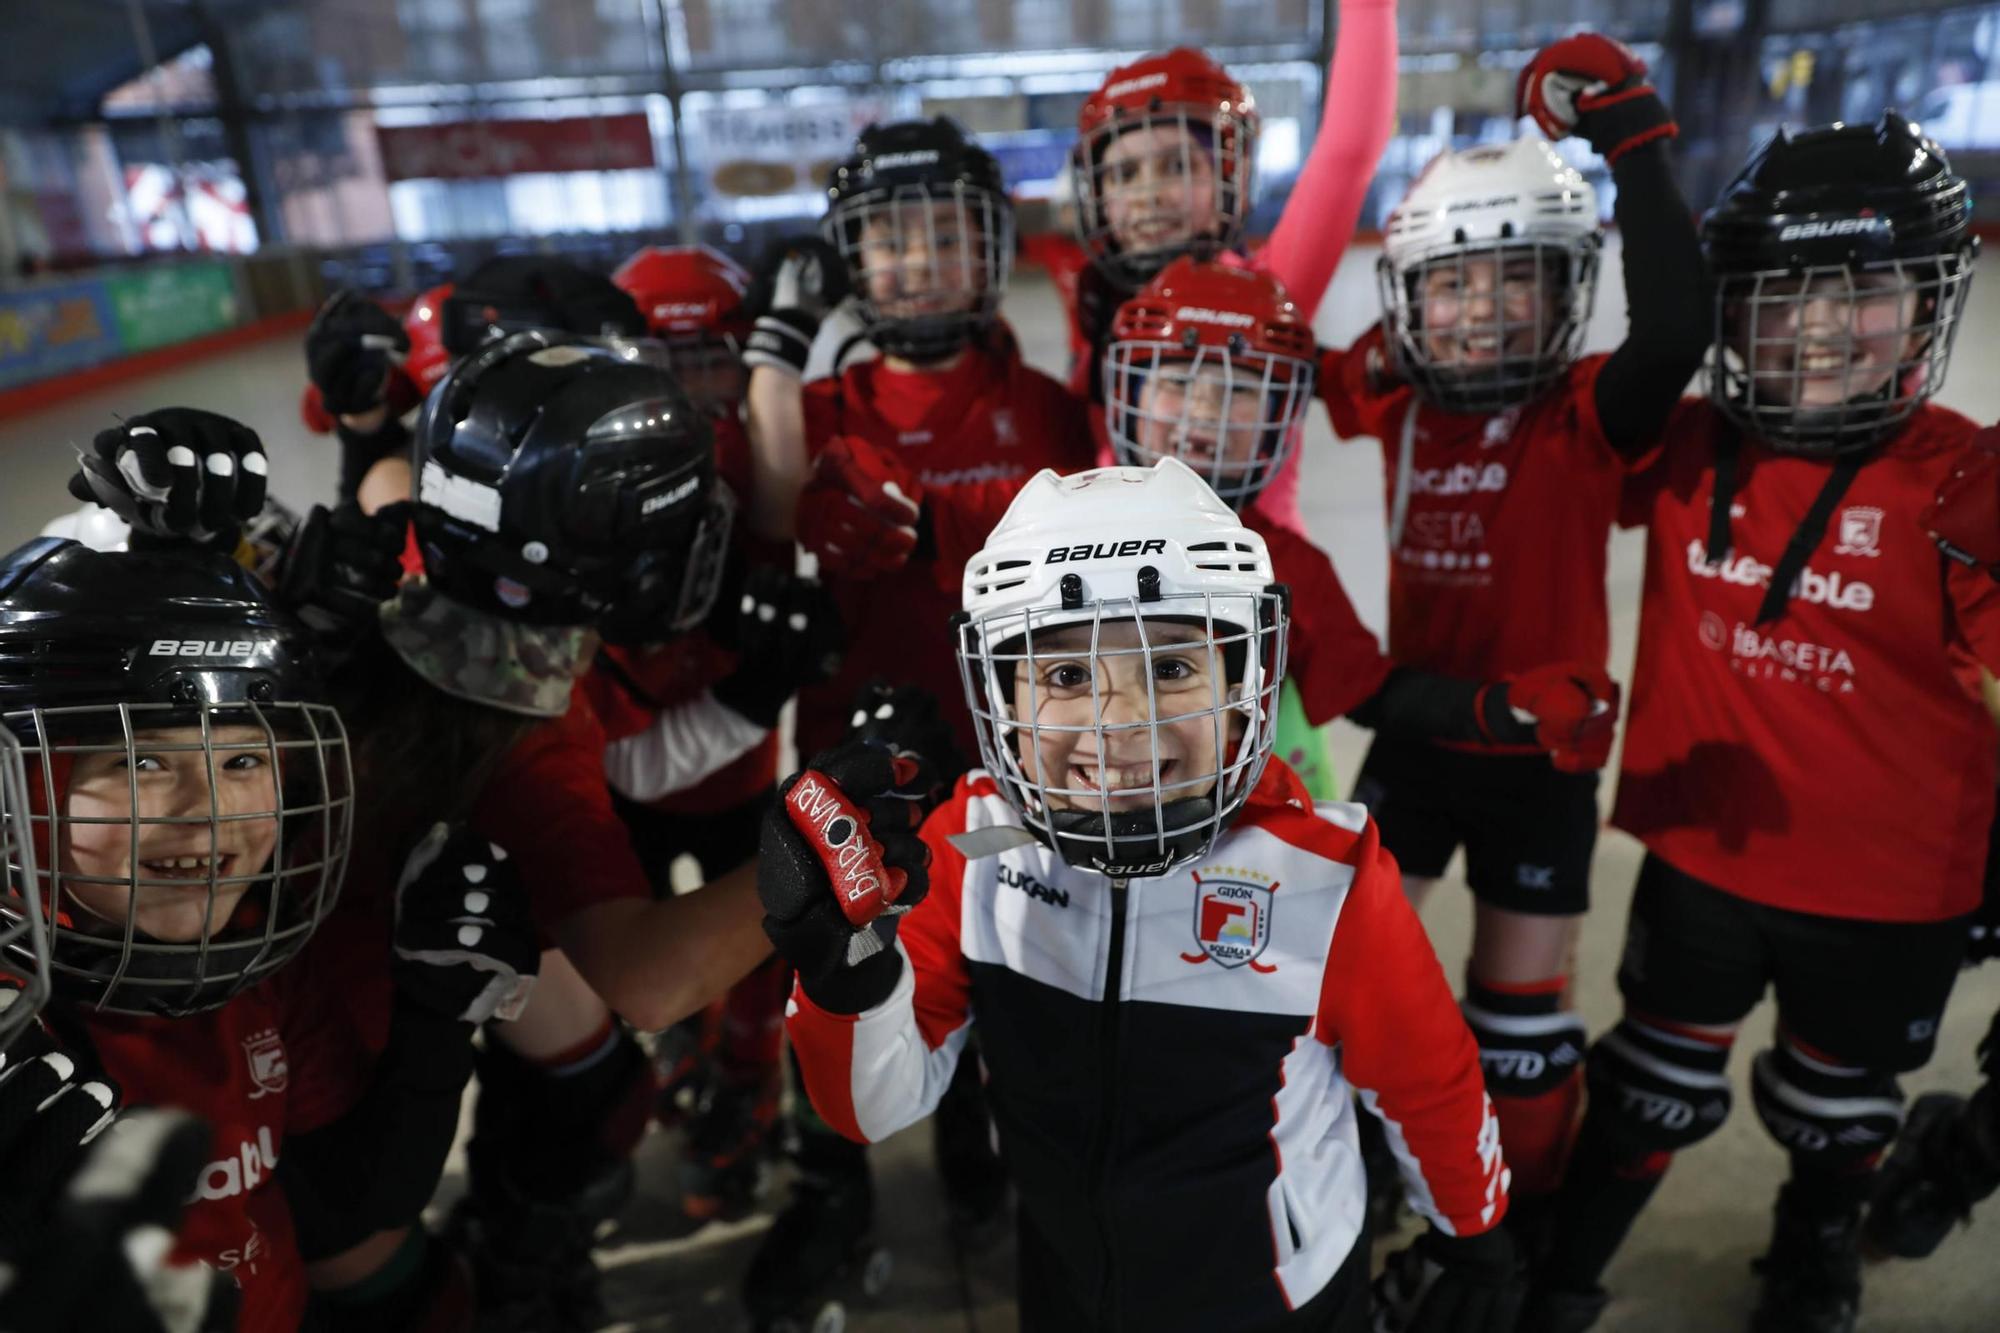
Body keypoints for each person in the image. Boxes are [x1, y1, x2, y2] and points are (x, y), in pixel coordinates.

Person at [760, 459, 1522, 1333]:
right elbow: (868, 1108)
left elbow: (1431, 1083)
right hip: (1065, 1292)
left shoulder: (1325, 874)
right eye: (1068, 677)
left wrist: (1475, 1236)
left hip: (1282, 1304)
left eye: (1170, 667)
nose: (1120, 723)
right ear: (1001, 692)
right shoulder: (967, 849)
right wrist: (844, 973)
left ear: (1243, 680)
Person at [1521, 112, 1998, 1333]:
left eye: (1866, 291)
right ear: (1730, 311)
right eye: (1782, 294)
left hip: (1893, 890)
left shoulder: (1965, 478)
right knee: (1646, 1086)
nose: (1826, 326)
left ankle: (1813, 1249)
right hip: (1704, 863)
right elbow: (1639, 357)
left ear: (1931, 297)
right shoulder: (1684, 445)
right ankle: (1563, 1271)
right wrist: (1634, 145)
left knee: (1837, 1103)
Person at [1316, 34, 1705, 1215]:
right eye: (1453, 281)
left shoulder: (1581, 411)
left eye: (1515, 277)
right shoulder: (1393, 397)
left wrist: (1631, 135)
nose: (1481, 309)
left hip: (1541, 761)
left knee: (1519, 1029)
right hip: (1420, 741)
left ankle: (1510, 1226)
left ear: (1565, 285)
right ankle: (1361, 1172)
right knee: (1330, 988)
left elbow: (1676, 329)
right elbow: (1270, 347)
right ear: (1409, 296)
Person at [0, 526, 540, 1332]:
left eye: (243, 761)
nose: (207, 815)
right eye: (140, 763)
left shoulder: (258, 954)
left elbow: (349, 1205)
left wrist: (434, 1024)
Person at [1063, 5, 1399, 536]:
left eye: (1178, 165)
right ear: (1099, 195)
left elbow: (1347, 154)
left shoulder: (1268, 290)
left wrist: (1368, 8)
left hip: (1260, 578)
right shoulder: (1094, 299)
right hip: (1137, 583)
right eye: (1125, 173)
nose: (1149, 194)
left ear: (1228, 173)